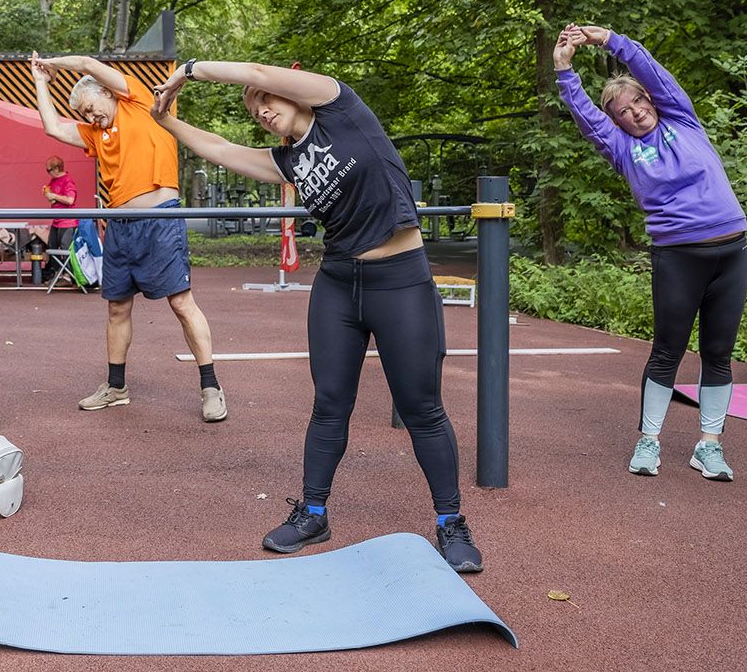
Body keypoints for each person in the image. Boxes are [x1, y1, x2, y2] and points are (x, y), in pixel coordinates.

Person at [150, 60, 483, 572]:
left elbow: (259, 70)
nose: (261, 110)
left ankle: (450, 523)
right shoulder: (287, 160)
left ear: (292, 93)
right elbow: (220, 149)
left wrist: (191, 71)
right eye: (253, 108)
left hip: (400, 279)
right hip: (337, 285)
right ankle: (312, 513)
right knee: (329, 404)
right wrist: (168, 121)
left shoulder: (340, 107)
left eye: (267, 99)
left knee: (422, 408)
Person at [554, 24, 747, 481]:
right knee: (667, 351)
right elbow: (585, 114)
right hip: (678, 257)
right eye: (624, 111)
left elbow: (653, 72)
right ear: (617, 121)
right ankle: (648, 440)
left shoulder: (682, 119)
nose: (636, 112)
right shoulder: (622, 148)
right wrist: (564, 70)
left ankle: (710, 445)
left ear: (651, 102)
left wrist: (610, 40)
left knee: (718, 352)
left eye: (639, 103)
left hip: (731, 252)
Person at [30, 52, 226, 422]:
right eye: (84, 114)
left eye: (91, 107)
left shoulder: (136, 101)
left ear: (107, 93)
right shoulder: (95, 133)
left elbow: (88, 64)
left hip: (160, 221)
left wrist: (52, 63)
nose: (90, 117)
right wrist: (41, 82)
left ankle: (211, 387)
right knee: (117, 307)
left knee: (181, 303)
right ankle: (116, 388)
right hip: (119, 225)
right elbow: (54, 129)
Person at [40, 155, 79, 282]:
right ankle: (59, 273)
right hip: (57, 220)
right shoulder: (53, 181)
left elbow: (70, 200)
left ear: (57, 168)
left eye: (49, 170)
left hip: (68, 221)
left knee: (66, 247)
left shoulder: (68, 180)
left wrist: (54, 196)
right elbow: (53, 199)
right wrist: (47, 194)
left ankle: (69, 275)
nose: (48, 173)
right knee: (52, 246)